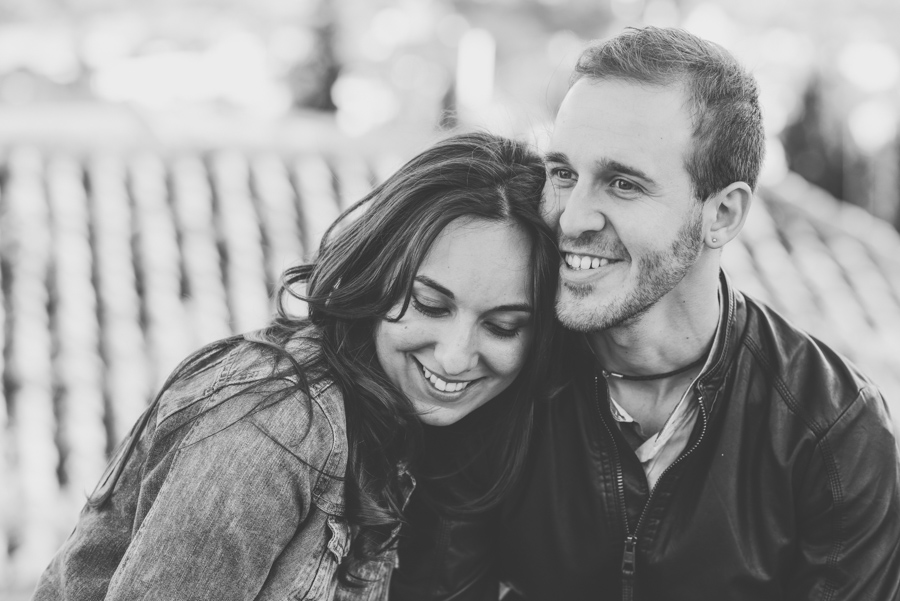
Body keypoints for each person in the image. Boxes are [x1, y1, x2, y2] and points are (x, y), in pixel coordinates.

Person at [389, 27, 900, 601]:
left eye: (623, 183)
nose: (572, 217)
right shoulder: (496, 374)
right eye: (564, 173)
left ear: (723, 214)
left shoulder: (833, 431)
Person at [31, 131, 559, 601]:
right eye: (429, 305)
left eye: (503, 326)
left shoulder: (416, 438)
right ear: (378, 274)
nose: (455, 355)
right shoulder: (276, 422)